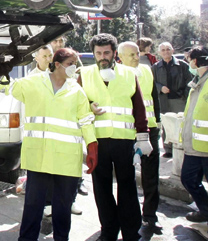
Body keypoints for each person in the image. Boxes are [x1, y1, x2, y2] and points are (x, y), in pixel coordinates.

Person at [12, 48, 98, 241]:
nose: (74, 68)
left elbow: (85, 120)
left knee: (62, 206)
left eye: (75, 64)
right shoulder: (34, 82)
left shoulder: (76, 90)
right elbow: (9, 86)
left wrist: (92, 146)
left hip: (66, 158)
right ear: (57, 65)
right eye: (70, 64)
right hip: (39, 156)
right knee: (33, 204)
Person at [78, 33, 151, 241]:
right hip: (97, 141)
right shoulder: (85, 74)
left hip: (124, 140)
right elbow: (77, 103)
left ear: (114, 53)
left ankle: (130, 232)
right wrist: (88, 106)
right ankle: (109, 230)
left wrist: (143, 137)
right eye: (98, 53)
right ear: (93, 54)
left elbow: (139, 106)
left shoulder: (128, 74)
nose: (103, 57)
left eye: (106, 53)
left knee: (127, 186)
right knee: (101, 188)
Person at [118, 41, 162, 234]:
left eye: (137, 54)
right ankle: (127, 218)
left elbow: (154, 98)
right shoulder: (116, 74)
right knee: (126, 177)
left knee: (151, 175)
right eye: (131, 55)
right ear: (120, 58)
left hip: (150, 129)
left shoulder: (147, 70)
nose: (137, 58)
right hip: (127, 131)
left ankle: (150, 216)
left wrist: (158, 123)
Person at [180, 46, 208, 224]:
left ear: (195, 61)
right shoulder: (197, 82)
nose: (188, 63)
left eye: (189, 59)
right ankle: (205, 210)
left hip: (205, 148)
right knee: (188, 179)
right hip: (194, 146)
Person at [152, 42, 193, 156]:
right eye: (163, 50)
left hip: (179, 99)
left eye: (168, 49)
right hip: (163, 100)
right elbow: (151, 82)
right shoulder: (155, 67)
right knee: (166, 124)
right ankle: (168, 149)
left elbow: (189, 82)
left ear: (172, 50)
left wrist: (184, 96)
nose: (166, 52)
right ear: (159, 52)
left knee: (180, 124)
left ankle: (182, 147)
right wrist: (160, 88)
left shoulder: (183, 65)